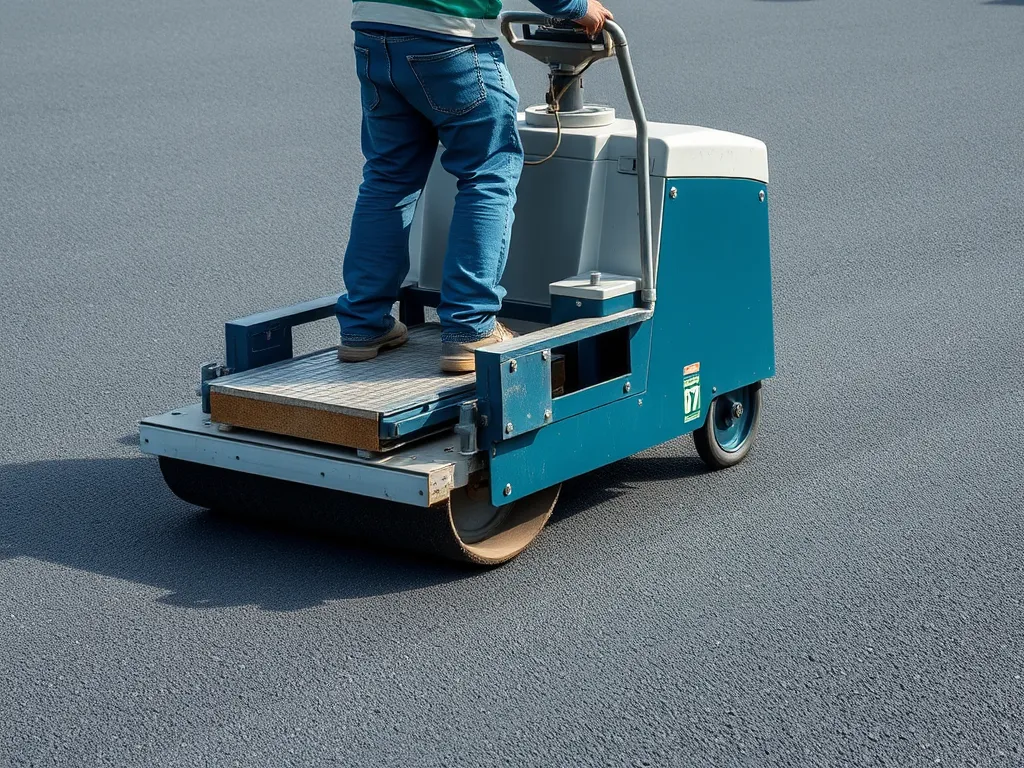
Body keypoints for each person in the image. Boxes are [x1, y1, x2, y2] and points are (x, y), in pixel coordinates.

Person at [336, 0, 614, 373]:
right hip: (449, 37)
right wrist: (576, 8)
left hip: (374, 30)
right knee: (487, 174)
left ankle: (363, 325)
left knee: (387, 179)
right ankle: (470, 327)